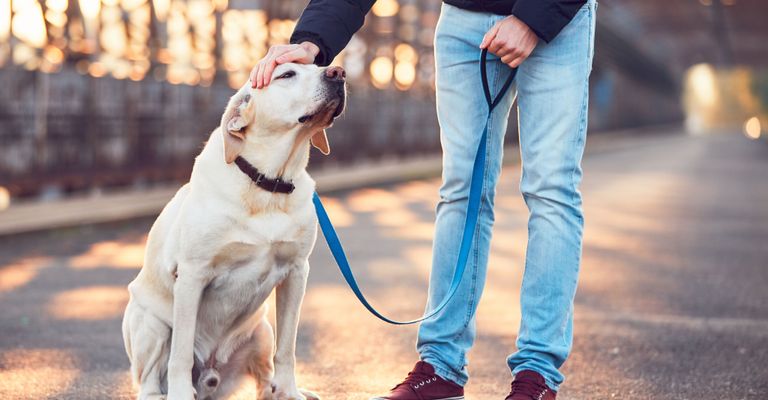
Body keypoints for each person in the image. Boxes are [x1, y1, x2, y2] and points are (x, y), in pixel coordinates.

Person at [251, 0, 596, 398]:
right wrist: (312, 41)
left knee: (550, 190)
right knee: (460, 192)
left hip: (557, 23)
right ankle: (441, 366)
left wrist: (535, 18)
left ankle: (537, 375)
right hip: (463, 24)